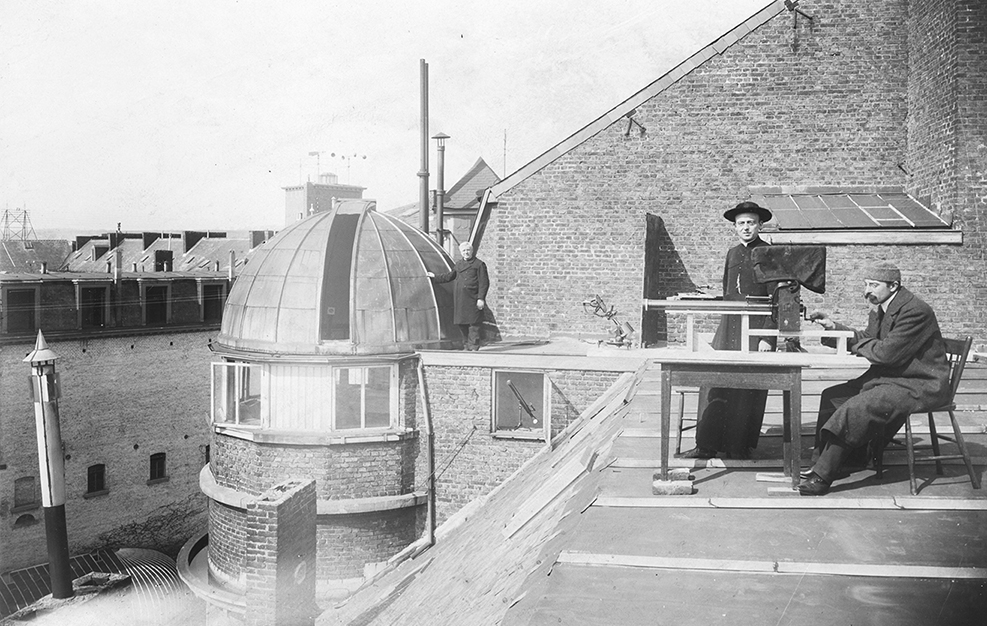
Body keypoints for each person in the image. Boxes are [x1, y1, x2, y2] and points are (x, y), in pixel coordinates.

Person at [798, 261, 950, 496]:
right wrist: (833, 327)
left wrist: (864, 345)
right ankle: (830, 463)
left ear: (894, 286)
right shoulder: (880, 307)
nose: (867, 290)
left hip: (919, 383)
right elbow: (869, 339)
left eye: (874, 285)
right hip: (893, 377)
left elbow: (886, 354)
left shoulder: (915, 311)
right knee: (833, 396)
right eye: (866, 284)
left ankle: (822, 476)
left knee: (859, 406)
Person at [681, 201, 776, 460]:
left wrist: (767, 336)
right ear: (735, 227)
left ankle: (738, 447)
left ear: (760, 225)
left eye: (751, 223)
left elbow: (778, 299)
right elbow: (727, 292)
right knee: (714, 382)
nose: (746, 228)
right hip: (729, 327)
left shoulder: (770, 253)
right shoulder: (732, 253)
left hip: (755, 330)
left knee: (747, 388)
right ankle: (706, 444)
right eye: (741, 223)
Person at [428, 241, 489, 351]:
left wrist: (481, 298)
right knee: (462, 324)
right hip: (461, 299)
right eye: (464, 251)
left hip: (473, 298)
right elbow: (450, 276)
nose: (466, 252)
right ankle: (466, 345)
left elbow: (484, 283)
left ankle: (474, 346)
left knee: (474, 324)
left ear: (472, 251)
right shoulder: (459, 265)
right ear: (461, 252)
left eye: (468, 250)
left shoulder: (479, 264)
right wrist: (435, 277)